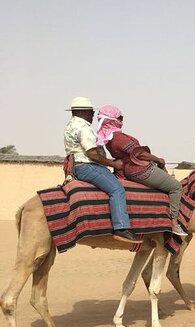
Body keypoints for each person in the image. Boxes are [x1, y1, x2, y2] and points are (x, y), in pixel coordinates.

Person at [97, 105, 187, 237]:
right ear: (112, 119)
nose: (122, 120)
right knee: (176, 187)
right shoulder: (118, 137)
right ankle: (174, 222)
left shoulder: (108, 138)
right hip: (139, 168)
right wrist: (158, 160)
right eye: (120, 118)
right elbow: (138, 153)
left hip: (128, 169)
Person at [63, 97, 140, 244]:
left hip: (75, 166)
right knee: (117, 189)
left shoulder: (70, 126)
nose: (93, 115)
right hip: (87, 166)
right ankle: (121, 228)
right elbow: (92, 154)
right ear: (84, 112)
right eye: (91, 112)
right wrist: (113, 164)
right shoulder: (84, 128)